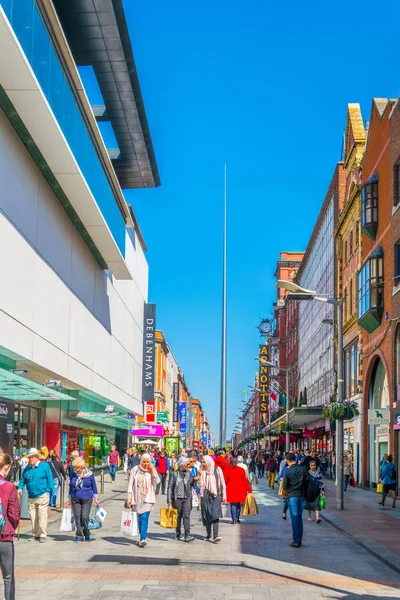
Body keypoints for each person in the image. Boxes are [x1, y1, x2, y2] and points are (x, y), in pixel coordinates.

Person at [17, 448, 53, 543]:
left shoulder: (44, 466)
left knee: (41, 515)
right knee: (33, 516)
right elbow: (22, 479)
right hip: (31, 496)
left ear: (37, 457)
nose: (31, 459)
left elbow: (50, 479)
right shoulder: (27, 468)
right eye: (30, 458)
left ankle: (42, 534)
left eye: (32, 457)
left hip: (42, 495)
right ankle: (35, 534)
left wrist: (48, 491)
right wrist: (20, 488)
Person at [127, 453, 160, 547]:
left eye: (147, 462)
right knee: (139, 518)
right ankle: (141, 536)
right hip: (137, 497)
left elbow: (157, 481)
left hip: (148, 498)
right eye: (144, 462)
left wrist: (153, 470)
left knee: (144, 518)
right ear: (140, 461)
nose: (145, 464)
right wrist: (129, 497)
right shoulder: (135, 470)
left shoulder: (151, 471)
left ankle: (143, 539)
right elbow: (130, 484)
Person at [0, 453, 20, 600]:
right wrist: (10, 527)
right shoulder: (8, 487)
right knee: (8, 576)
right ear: (6, 468)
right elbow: (14, 514)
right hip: (4, 537)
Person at [68, 457, 99, 542]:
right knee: (77, 517)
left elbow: (94, 486)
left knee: (84, 517)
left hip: (87, 498)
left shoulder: (90, 474)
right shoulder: (73, 474)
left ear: (82, 467)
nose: (76, 469)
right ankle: (79, 535)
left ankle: (87, 532)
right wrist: (69, 498)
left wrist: (96, 498)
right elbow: (71, 486)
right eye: (75, 467)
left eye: (77, 467)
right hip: (75, 497)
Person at [199, 455, 226, 543]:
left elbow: (222, 483)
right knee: (207, 514)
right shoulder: (202, 471)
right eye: (202, 462)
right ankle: (208, 534)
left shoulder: (217, 470)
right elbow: (200, 485)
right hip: (206, 495)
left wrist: (224, 496)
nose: (203, 464)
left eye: (204, 462)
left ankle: (216, 535)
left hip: (216, 495)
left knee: (215, 514)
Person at [167, 456, 195, 542]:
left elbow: (192, 485)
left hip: (187, 498)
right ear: (181, 465)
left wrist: (195, 480)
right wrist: (169, 502)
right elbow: (170, 487)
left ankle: (187, 534)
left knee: (186, 516)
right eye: (186, 464)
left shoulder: (189, 473)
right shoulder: (174, 473)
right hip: (177, 498)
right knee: (178, 516)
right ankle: (178, 532)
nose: (187, 466)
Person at [283, 452, 306, 548]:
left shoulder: (287, 472)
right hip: (302, 496)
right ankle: (299, 539)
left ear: (288, 461)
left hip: (292, 496)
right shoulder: (303, 469)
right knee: (299, 518)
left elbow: (284, 486)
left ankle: (296, 540)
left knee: (294, 518)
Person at [225, 458, 252, 524]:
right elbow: (245, 480)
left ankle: (233, 519)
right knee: (238, 504)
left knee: (232, 504)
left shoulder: (227, 470)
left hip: (231, 488)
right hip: (240, 488)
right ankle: (237, 518)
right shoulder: (241, 470)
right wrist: (249, 489)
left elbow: (225, 480)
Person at [304, 459, 324, 523]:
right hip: (308, 491)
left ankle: (317, 517)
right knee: (309, 504)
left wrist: (322, 490)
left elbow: (321, 482)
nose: (313, 466)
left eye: (314, 465)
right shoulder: (307, 473)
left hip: (316, 491)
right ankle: (309, 516)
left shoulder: (318, 473)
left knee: (316, 504)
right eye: (311, 465)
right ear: (309, 466)